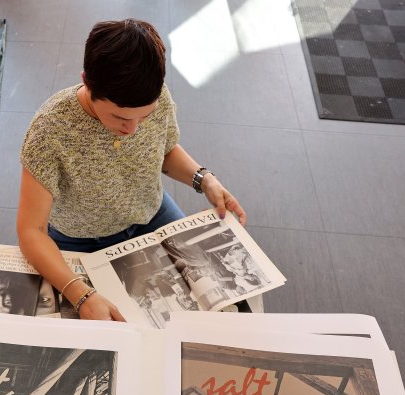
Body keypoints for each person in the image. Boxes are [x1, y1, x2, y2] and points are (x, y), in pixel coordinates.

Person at [17, 19, 246, 321]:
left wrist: (205, 180)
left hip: (152, 212)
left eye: (144, 116)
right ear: (87, 81)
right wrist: (81, 295)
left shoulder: (158, 96)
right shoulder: (49, 131)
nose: (133, 128)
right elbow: (30, 231)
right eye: (120, 117)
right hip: (81, 237)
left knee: (216, 299)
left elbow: (164, 151)